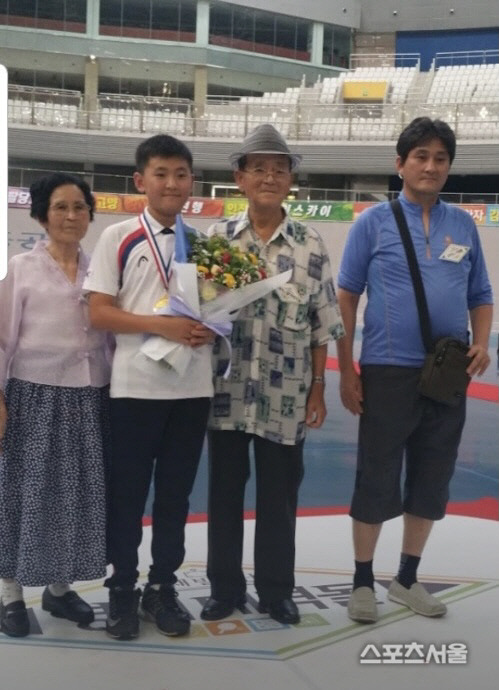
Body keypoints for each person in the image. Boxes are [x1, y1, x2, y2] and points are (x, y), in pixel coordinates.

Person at [336, 117, 493, 624]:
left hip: (447, 374)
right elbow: (346, 294)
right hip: (386, 368)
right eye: (420, 156)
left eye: (440, 158)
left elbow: (481, 295)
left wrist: (483, 343)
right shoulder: (372, 224)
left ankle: (406, 578)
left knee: (432, 476)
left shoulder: (463, 225)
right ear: (400, 163)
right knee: (377, 474)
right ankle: (362, 580)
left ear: (449, 167)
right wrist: (345, 367)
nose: (431, 166)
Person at [200, 124, 345, 625]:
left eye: (279, 169)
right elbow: (196, 313)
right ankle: (223, 588)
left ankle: (278, 591)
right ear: (239, 178)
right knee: (222, 494)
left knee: (280, 499)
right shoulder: (217, 240)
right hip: (226, 393)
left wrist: (320, 389)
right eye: (258, 168)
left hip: (287, 396)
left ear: (290, 181)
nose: (269, 176)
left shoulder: (310, 244)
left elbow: (323, 325)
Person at [84, 134, 214, 641]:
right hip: (135, 390)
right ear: (141, 181)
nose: (171, 183)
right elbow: (99, 313)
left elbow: (214, 308)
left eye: (181, 174)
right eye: (161, 173)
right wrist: (162, 326)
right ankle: (121, 591)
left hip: (192, 388)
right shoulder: (118, 235)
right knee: (129, 495)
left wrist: (208, 327)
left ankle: (162, 587)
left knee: (176, 499)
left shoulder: (205, 244)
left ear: (191, 183)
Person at [0, 173, 111, 638]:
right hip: (32, 398)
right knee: (20, 497)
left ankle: (60, 591)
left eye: (80, 207)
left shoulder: (101, 269)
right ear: (43, 214)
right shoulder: (19, 268)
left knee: (75, 497)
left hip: (91, 398)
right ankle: (9, 594)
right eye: (61, 207)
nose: (71, 215)